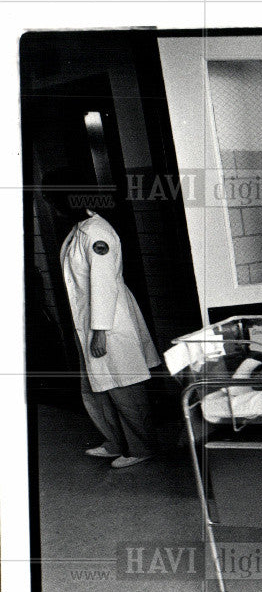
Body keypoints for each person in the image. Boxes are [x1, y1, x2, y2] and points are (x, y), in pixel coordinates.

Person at [46, 172, 162, 468]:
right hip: (87, 321)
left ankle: (141, 447)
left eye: (52, 198)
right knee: (96, 387)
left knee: (124, 386)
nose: (50, 204)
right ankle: (117, 442)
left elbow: (103, 285)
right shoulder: (80, 229)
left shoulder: (97, 233)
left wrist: (99, 332)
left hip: (106, 323)